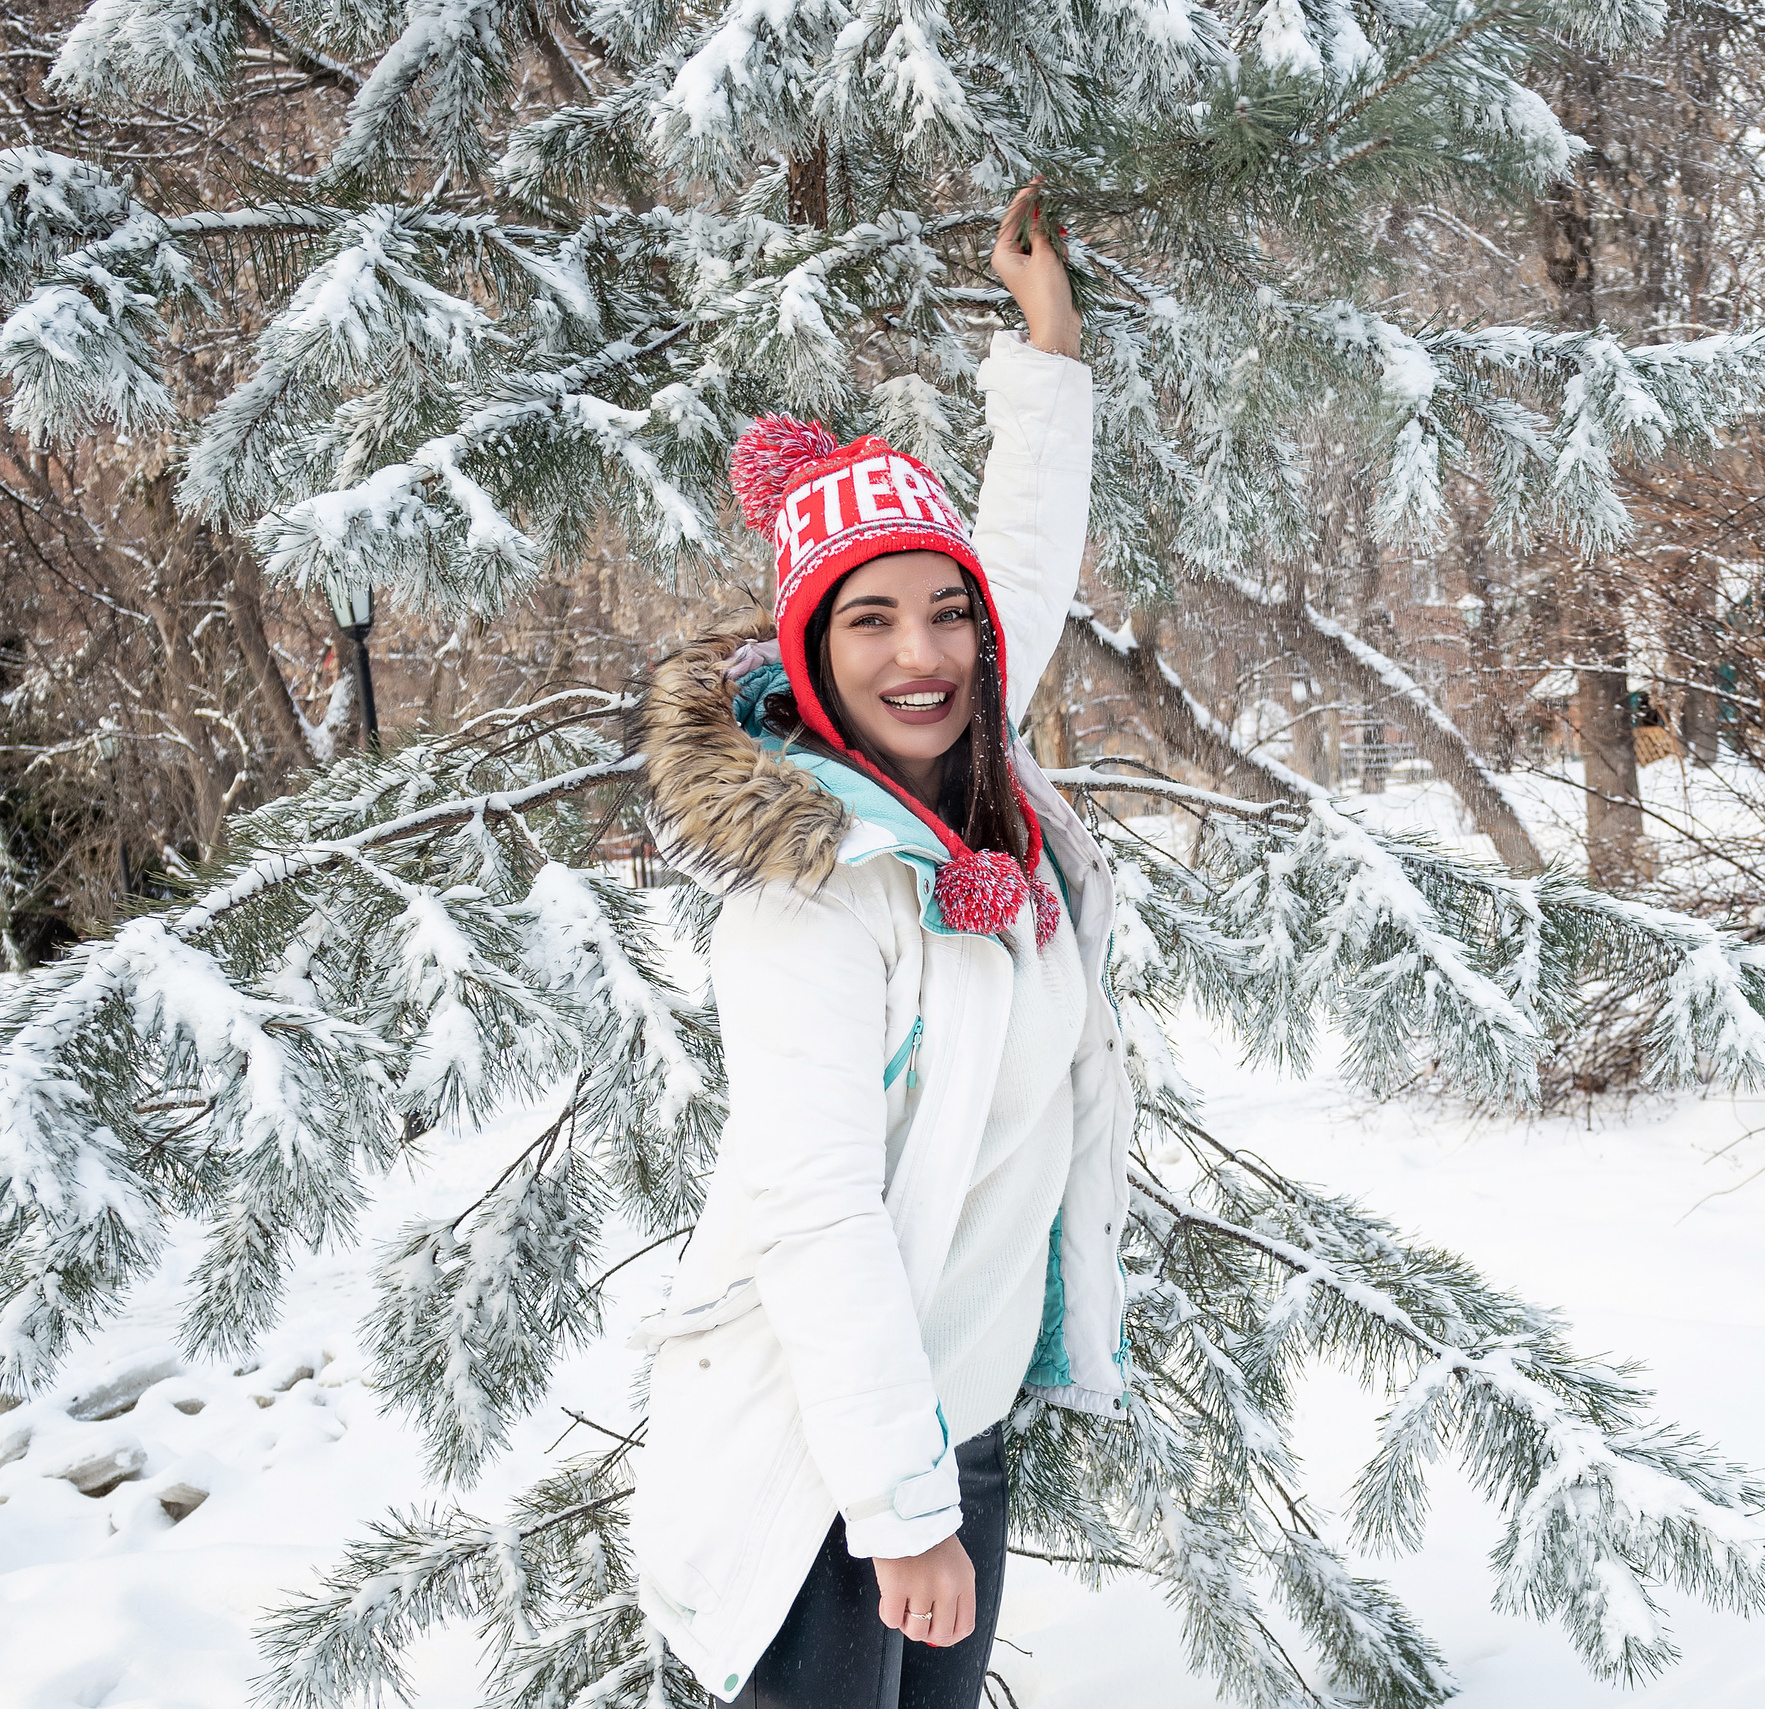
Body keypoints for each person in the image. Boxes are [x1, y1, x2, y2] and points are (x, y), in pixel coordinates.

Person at [627, 187, 1130, 1709]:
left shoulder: (983, 792)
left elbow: (1023, 565)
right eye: (868, 625)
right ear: (811, 657)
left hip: (949, 1427)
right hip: (822, 1463)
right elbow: (819, 1212)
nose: (919, 655)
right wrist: (901, 1513)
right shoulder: (818, 893)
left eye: (941, 615)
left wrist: (1046, 352)